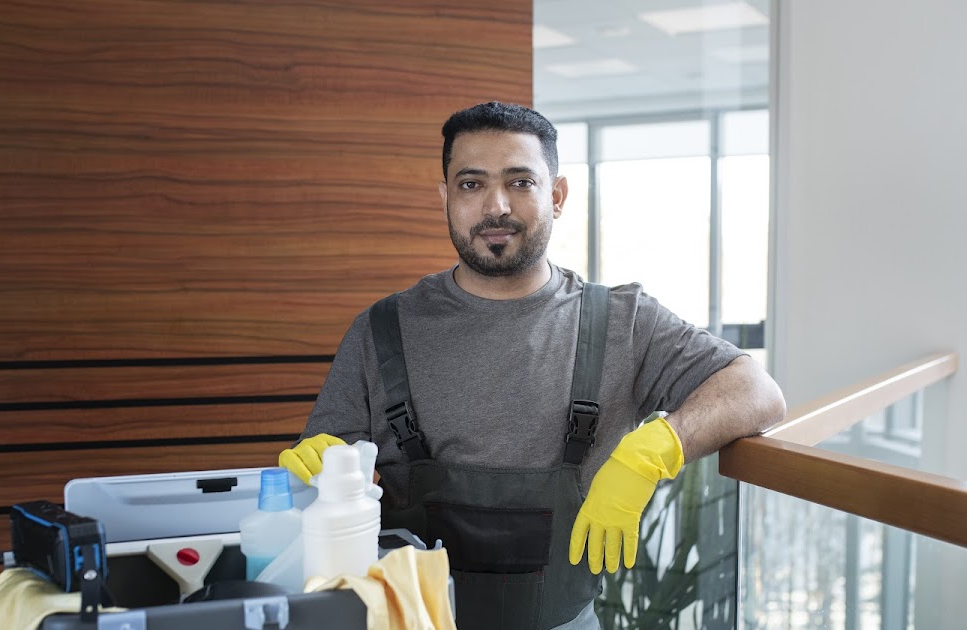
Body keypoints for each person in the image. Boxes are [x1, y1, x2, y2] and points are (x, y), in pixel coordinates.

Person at [279, 101, 786, 629]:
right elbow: (319, 477)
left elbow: (758, 391)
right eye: (471, 185)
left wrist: (657, 448)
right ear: (446, 198)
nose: (496, 206)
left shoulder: (621, 322)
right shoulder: (379, 329)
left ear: (557, 195)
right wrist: (317, 468)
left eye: (520, 182)